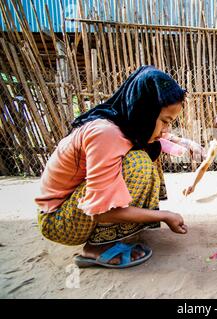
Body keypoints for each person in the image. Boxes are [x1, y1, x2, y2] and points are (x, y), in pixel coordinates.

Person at [35, 66, 188, 269]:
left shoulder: (124, 126)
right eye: (164, 121)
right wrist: (165, 215)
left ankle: (124, 228)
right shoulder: (106, 134)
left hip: (73, 209)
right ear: (144, 111)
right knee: (138, 163)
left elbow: (163, 140)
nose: (165, 130)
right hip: (59, 221)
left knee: (151, 148)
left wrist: (182, 143)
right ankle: (96, 248)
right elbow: (102, 212)